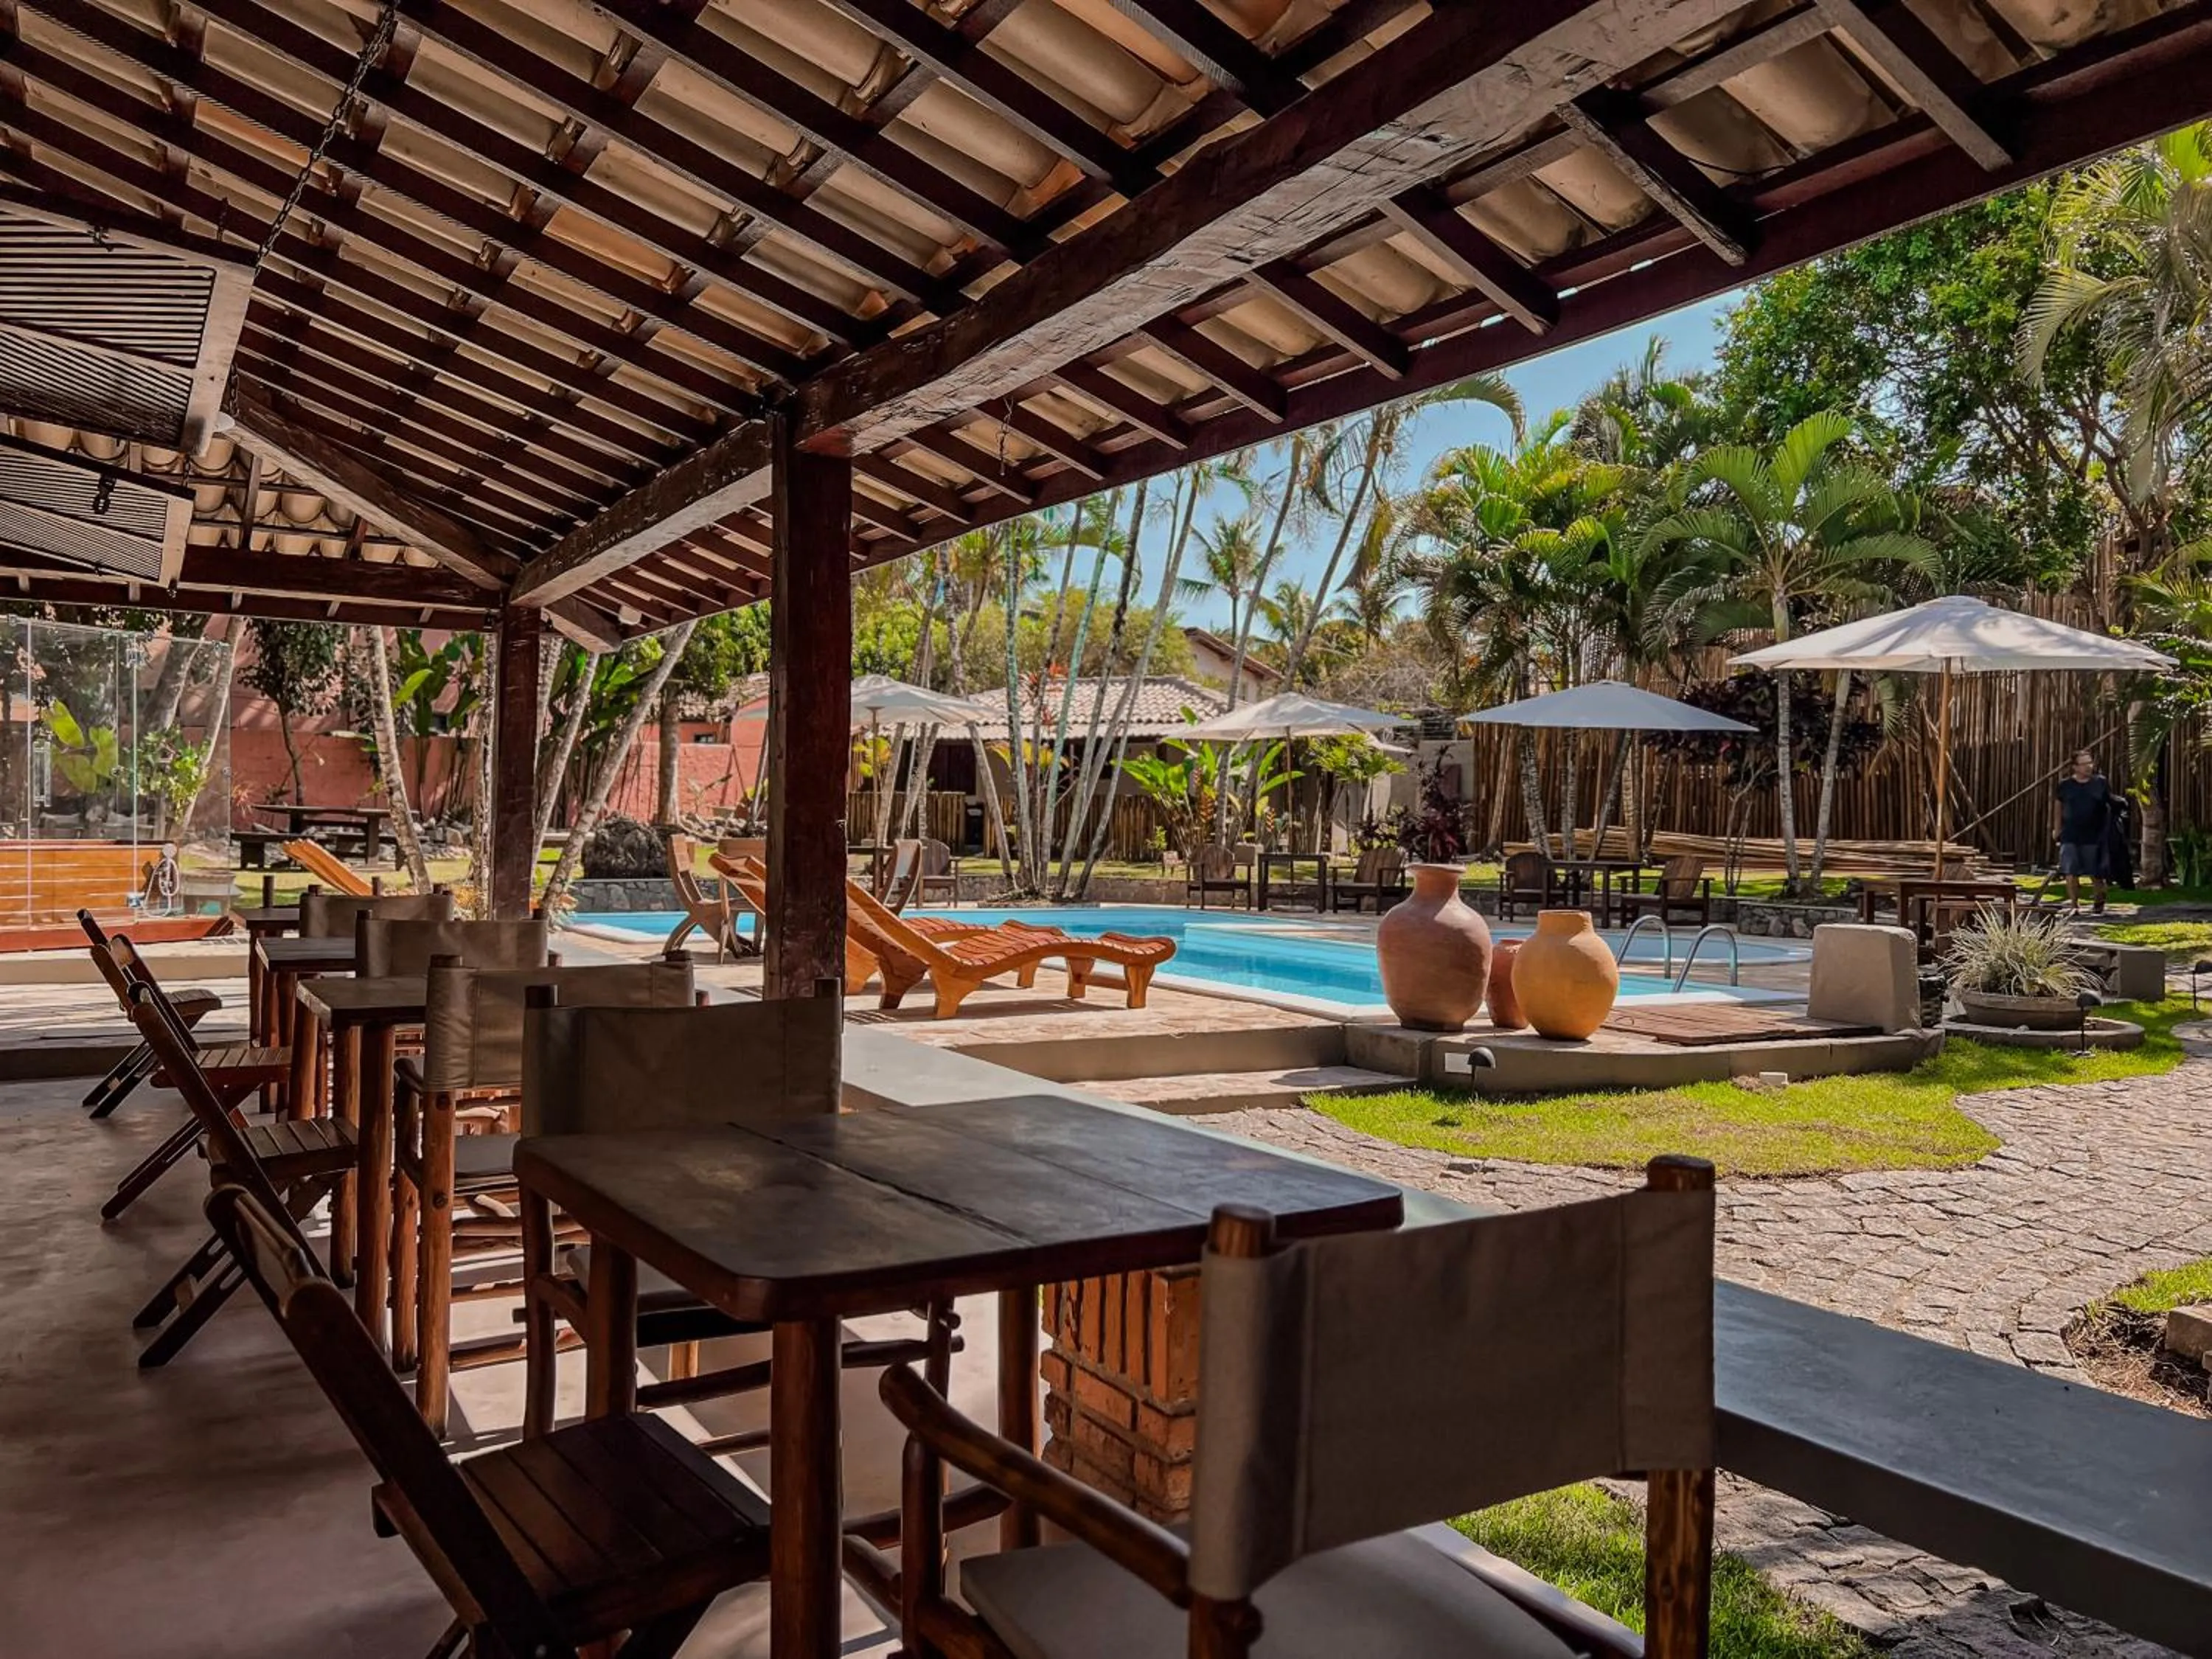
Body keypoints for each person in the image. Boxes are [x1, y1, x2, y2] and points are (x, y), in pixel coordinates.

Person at [2052, 751, 2113, 912]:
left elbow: (2109, 804)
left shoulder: (2100, 782)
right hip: (2070, 834)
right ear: (2074, 767)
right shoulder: (2065, 785)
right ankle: (2074, 905)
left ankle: (2099, 901)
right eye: (2084, 764)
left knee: (2096, 873)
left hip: (2095, 835)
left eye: (2090, 763)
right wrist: (2057, 828)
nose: (2088, 767)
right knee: (2070, 871)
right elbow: (2058, 805)